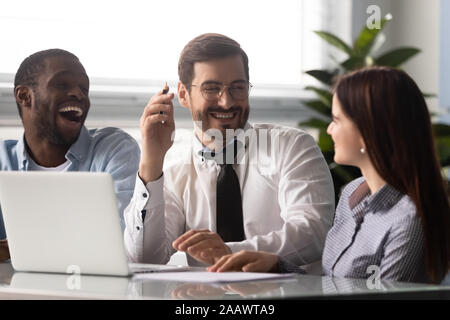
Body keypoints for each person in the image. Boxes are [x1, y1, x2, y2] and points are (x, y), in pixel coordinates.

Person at [207, 66, 450, 284]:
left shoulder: (409, 219)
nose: (329, 129)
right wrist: (276, 265)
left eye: (336, 120)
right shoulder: (352, 195)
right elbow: (331, 285)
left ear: (368, 131)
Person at [124, 33, 335, 267]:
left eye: (238, 87)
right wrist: (151, 162)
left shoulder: (292, 146)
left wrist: (228, 253)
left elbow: (314, 232)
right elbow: (145, 259)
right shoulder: (173, 170)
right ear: (183, 94)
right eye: (211, 89)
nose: (226, 102)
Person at [0, 49, 140, 261]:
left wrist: (23, 246)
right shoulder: (3, 160)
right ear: (24, 96)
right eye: (61, 84)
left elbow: (119, 242)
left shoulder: (114, 150)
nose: (79, 94)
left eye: (84, 88)